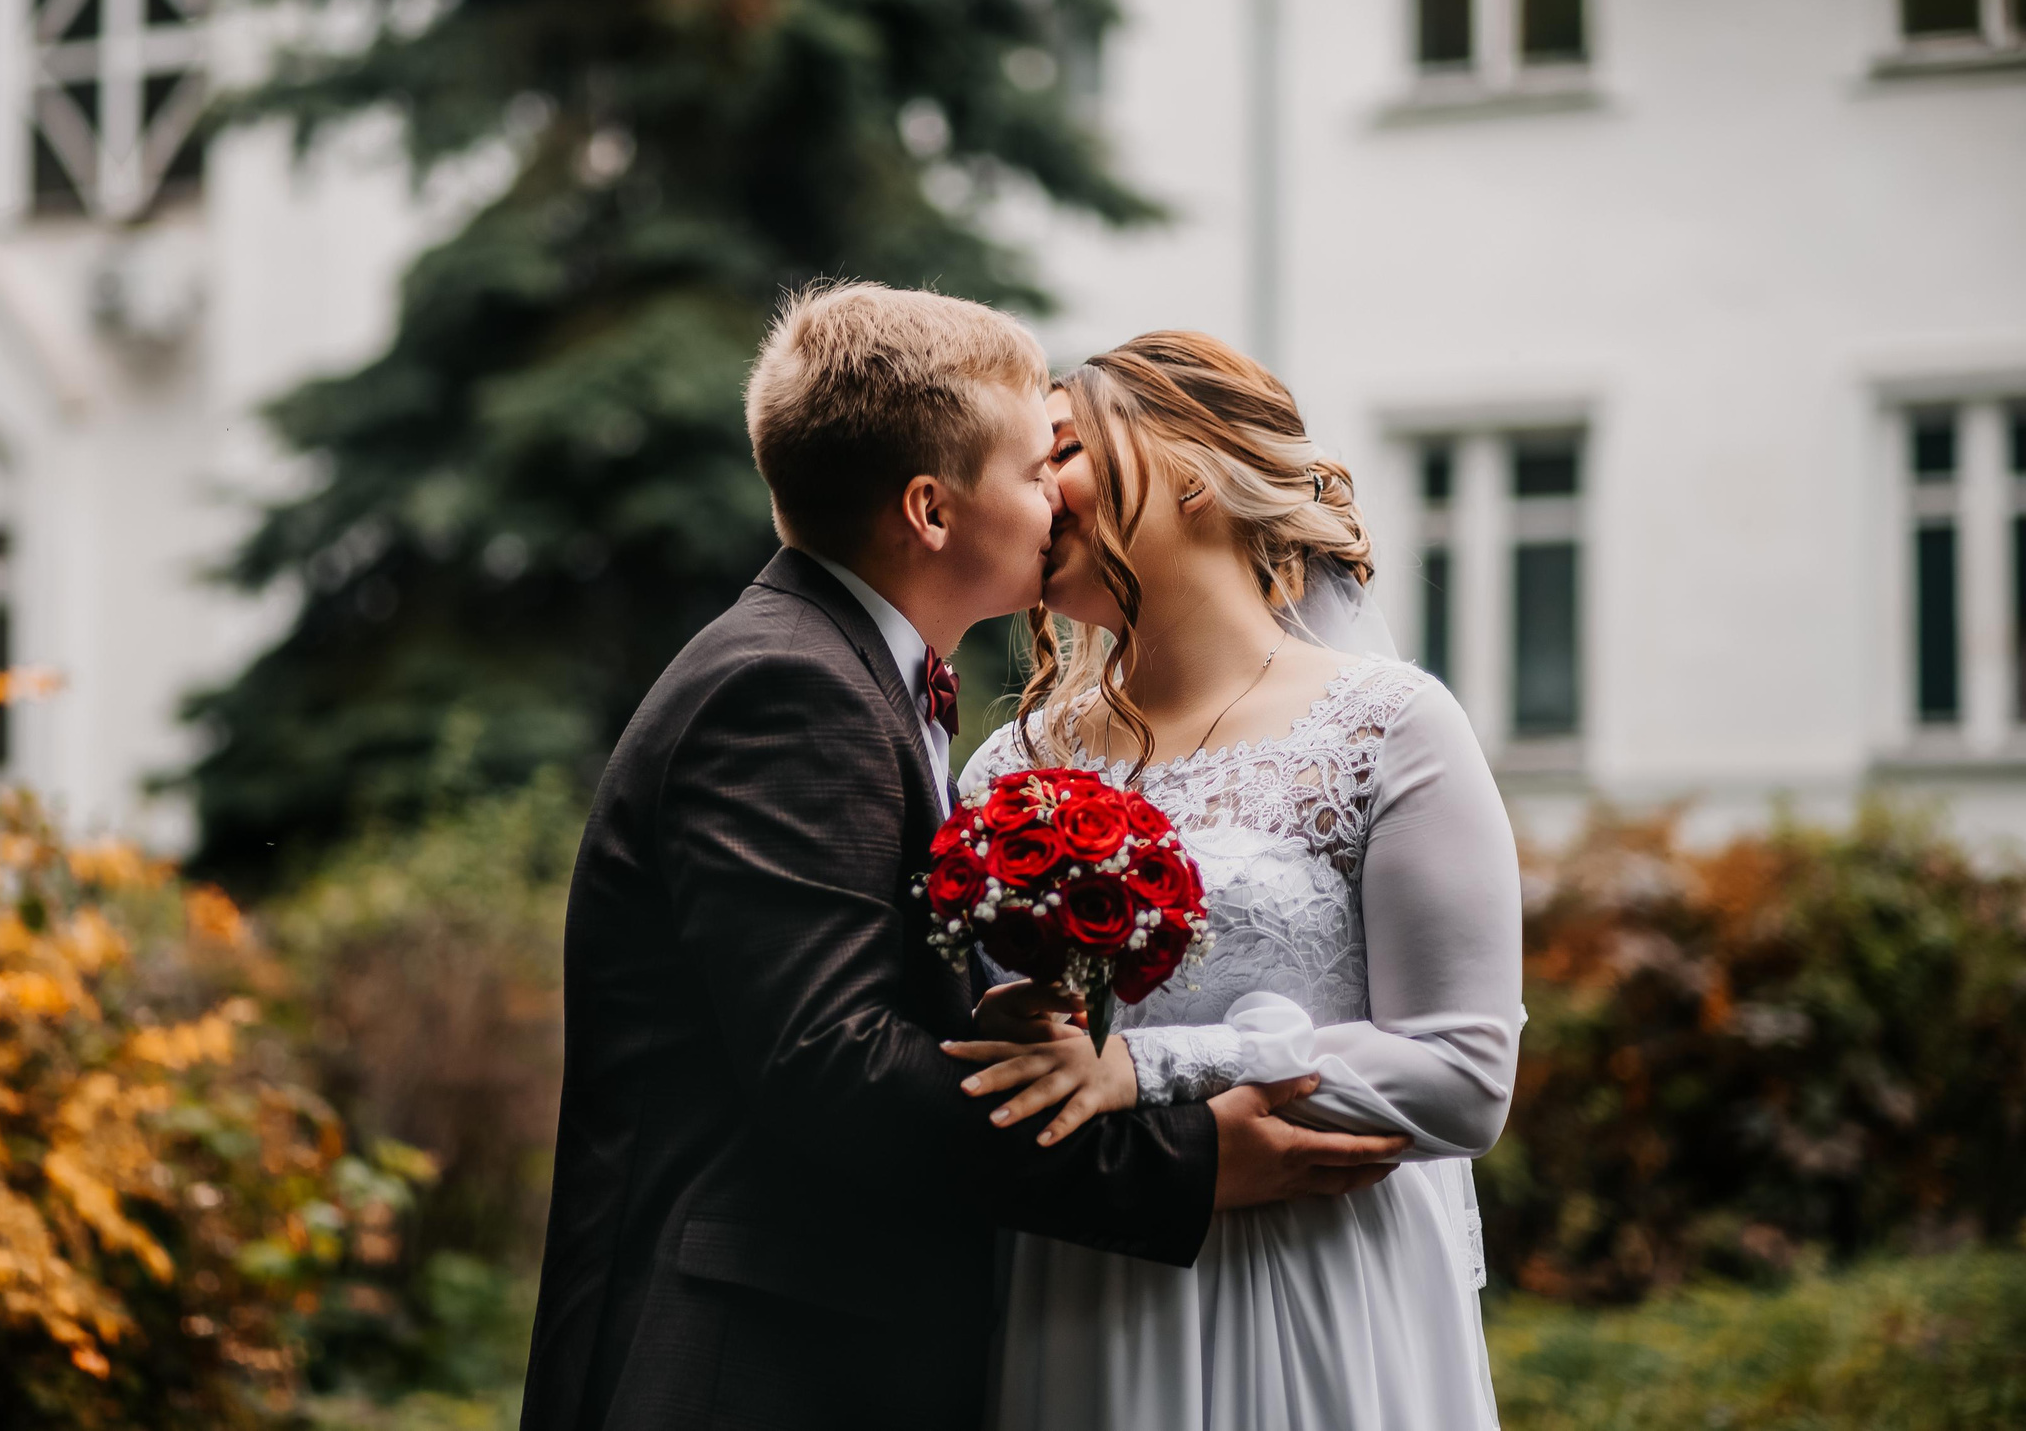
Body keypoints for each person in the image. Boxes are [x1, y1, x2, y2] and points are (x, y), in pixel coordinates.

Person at [520, 286, 1408, 1431]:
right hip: (747, 1369)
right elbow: (834, 1068)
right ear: (933, 512)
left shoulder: (843, 676)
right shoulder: (787, 690)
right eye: (1038, 468)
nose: (1060, 499)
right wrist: (1181, 1163)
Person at [945, 330, 1525, 1430]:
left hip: (1319, 1290)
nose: (1028, 491)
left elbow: (1463, 1074)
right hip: (1084, 1286)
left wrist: (1142, 1069)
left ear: (1191, 469)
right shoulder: (1009, 768)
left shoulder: (1389, 727)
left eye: (1058, 449)